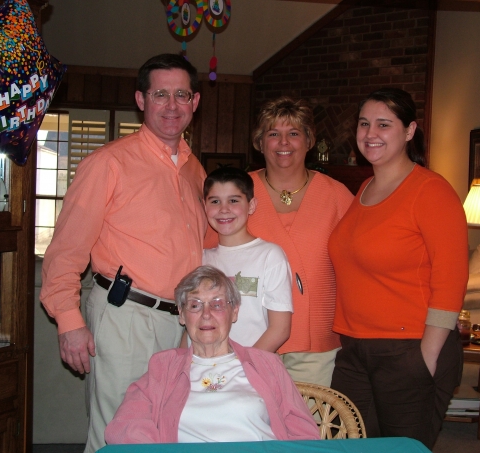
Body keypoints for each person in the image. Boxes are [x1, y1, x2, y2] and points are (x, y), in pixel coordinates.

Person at [40, 54, 206, 453]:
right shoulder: (108, 163)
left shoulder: (195, 171)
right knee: (118, 435)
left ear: (195, 102)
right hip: (126, 318)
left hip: (182, 323)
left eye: (181, 95)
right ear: (141, 99)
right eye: (160, 94)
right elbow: (65, 250)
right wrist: (69, 322)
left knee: (167, 432)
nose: (171, 105)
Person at [328, 87, 468, 449]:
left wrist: (426, 358)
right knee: (346, 443)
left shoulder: (430, 190)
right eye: (364, 124)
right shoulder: (365, 188)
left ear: (409, 131)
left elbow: (451, 278)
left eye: (383, 124)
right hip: (355, 349)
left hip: (408, 348)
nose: (370, 133)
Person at [105, 265, 319, 444]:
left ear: (234, 312)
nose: (206, 314)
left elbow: (303, 432)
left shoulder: (267, 363)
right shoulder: (164, 366)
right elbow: (125, 426)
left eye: (217, 304)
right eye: (195, 305)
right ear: (182, 314)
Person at [248, 96, 354, 386]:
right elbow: (213, 260)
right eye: (273, 133)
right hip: (252, 334)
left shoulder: (337, 195)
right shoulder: (238, 192)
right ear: (260, 142)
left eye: (294, 133)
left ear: (309, 141)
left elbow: (359, 263)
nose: (284, 142)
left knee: (309, 415)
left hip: (316, 343)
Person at [201, 166, 293, 352]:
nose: (224, 209)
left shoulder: (269, 256)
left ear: (251, 205)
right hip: (204, 363)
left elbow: (280, 329)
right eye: (215, 201)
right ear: (205, 206)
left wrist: (242, 364)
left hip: (251, 363)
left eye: (233, 201)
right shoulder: (201, 258)